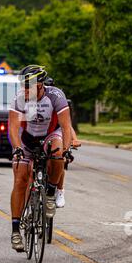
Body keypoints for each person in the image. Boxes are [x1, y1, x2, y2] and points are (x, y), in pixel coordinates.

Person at [8, 65, 72, 252]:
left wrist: (67, 150)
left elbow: (66, 126)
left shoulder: (55, 96)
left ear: (41, 85)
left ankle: (51, 193)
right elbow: (12, 128)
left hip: (50, 136)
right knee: (20, 179)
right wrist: (17, 148)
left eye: (29, 86)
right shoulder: (19, 98)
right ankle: (15, 231)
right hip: (27, 139)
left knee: (58, 152)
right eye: (23, 86)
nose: (25, 90)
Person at [44, 77, 81, 208]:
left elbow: (67, 126)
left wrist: (74, 139)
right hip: (40, 132)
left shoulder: (58, 101)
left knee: (60, 159)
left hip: (56, 132)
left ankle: (59, 190)